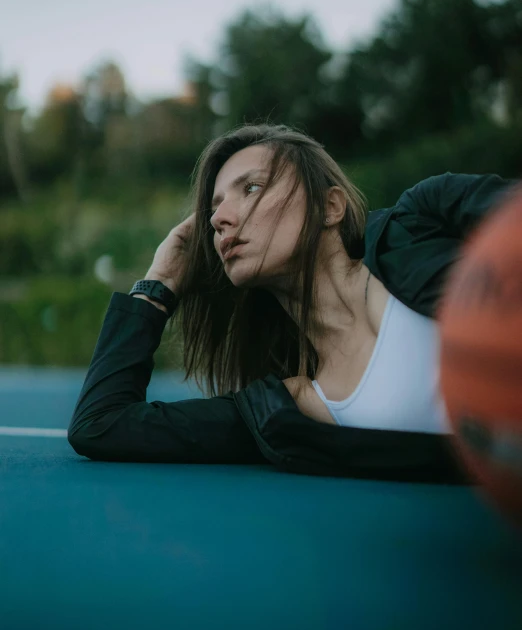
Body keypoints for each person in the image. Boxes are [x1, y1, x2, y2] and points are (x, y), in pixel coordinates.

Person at [68, 124, 516, 481]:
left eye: (252, 188)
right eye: (214, 209)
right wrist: (159, 283)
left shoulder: (425, 221)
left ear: (330, 206)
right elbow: (101, 425)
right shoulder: (288, 412)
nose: (220, 218)